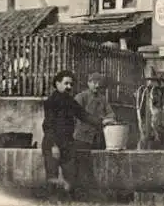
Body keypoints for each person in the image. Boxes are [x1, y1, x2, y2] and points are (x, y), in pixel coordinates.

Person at [41, 70, 112, 199]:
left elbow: (83, 115)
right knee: (52, 176)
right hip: (52, 144)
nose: (69, 87)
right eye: (66, 83)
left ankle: (68, 201)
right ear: (57, 84)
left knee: (71, 175)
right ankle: (51, 201)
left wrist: (102, 122)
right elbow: (48, 126)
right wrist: (54, 146)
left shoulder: (70, 101)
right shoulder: (51, 102)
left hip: (68, 143)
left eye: (71, 84)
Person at [74, 72, 116, 150]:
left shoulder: (103, 99)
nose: (97, 86)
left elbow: (111, 114)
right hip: (82, 138)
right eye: (94, 83)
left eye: (99, 83)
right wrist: (102, 120)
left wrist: (108, 119)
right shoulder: (81, 97)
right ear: (88, 83)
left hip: (98, 139)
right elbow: (80, 116)